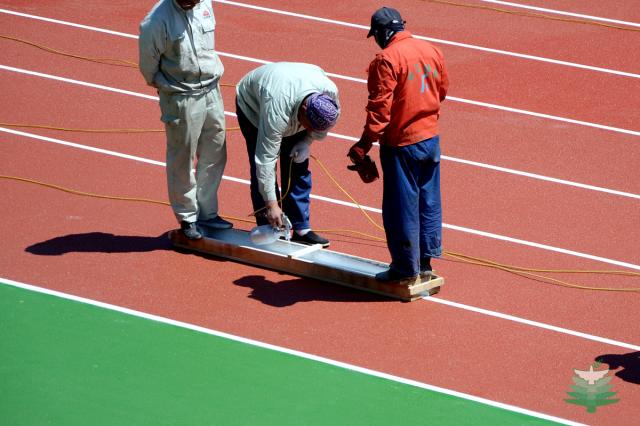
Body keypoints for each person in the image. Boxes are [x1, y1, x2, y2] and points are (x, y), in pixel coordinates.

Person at [348, 7, 449, 283]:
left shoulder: (387, 59)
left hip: (402, 144)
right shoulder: (431, 50)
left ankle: (405, 269)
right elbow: (441, 91)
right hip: (430, 139)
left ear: (383, 33)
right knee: (428, 202)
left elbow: (380, 110)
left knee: (401, 207)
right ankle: (425, 263)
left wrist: (363, 145)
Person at [138, 0, 231, 240]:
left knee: (216, 150)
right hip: (181, 95)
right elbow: (148, 67)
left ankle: (207, 212)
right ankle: (188, 217)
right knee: (183, 156)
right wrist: (170, 90)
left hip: (211, 89)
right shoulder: (156, 22)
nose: (192, 2)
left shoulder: (205, 4)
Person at [236, 62, 340, 248]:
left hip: (292, 97)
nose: (311, 131)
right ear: (304, 110)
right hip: (254, 109)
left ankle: (301, 228)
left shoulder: (330, 98)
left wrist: (306, 141)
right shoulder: (277, 110)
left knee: (297, 165)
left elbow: (320, 127)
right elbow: (265, 161)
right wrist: (271, 205)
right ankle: (269, 225)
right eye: (309, 127)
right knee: (262, 169)